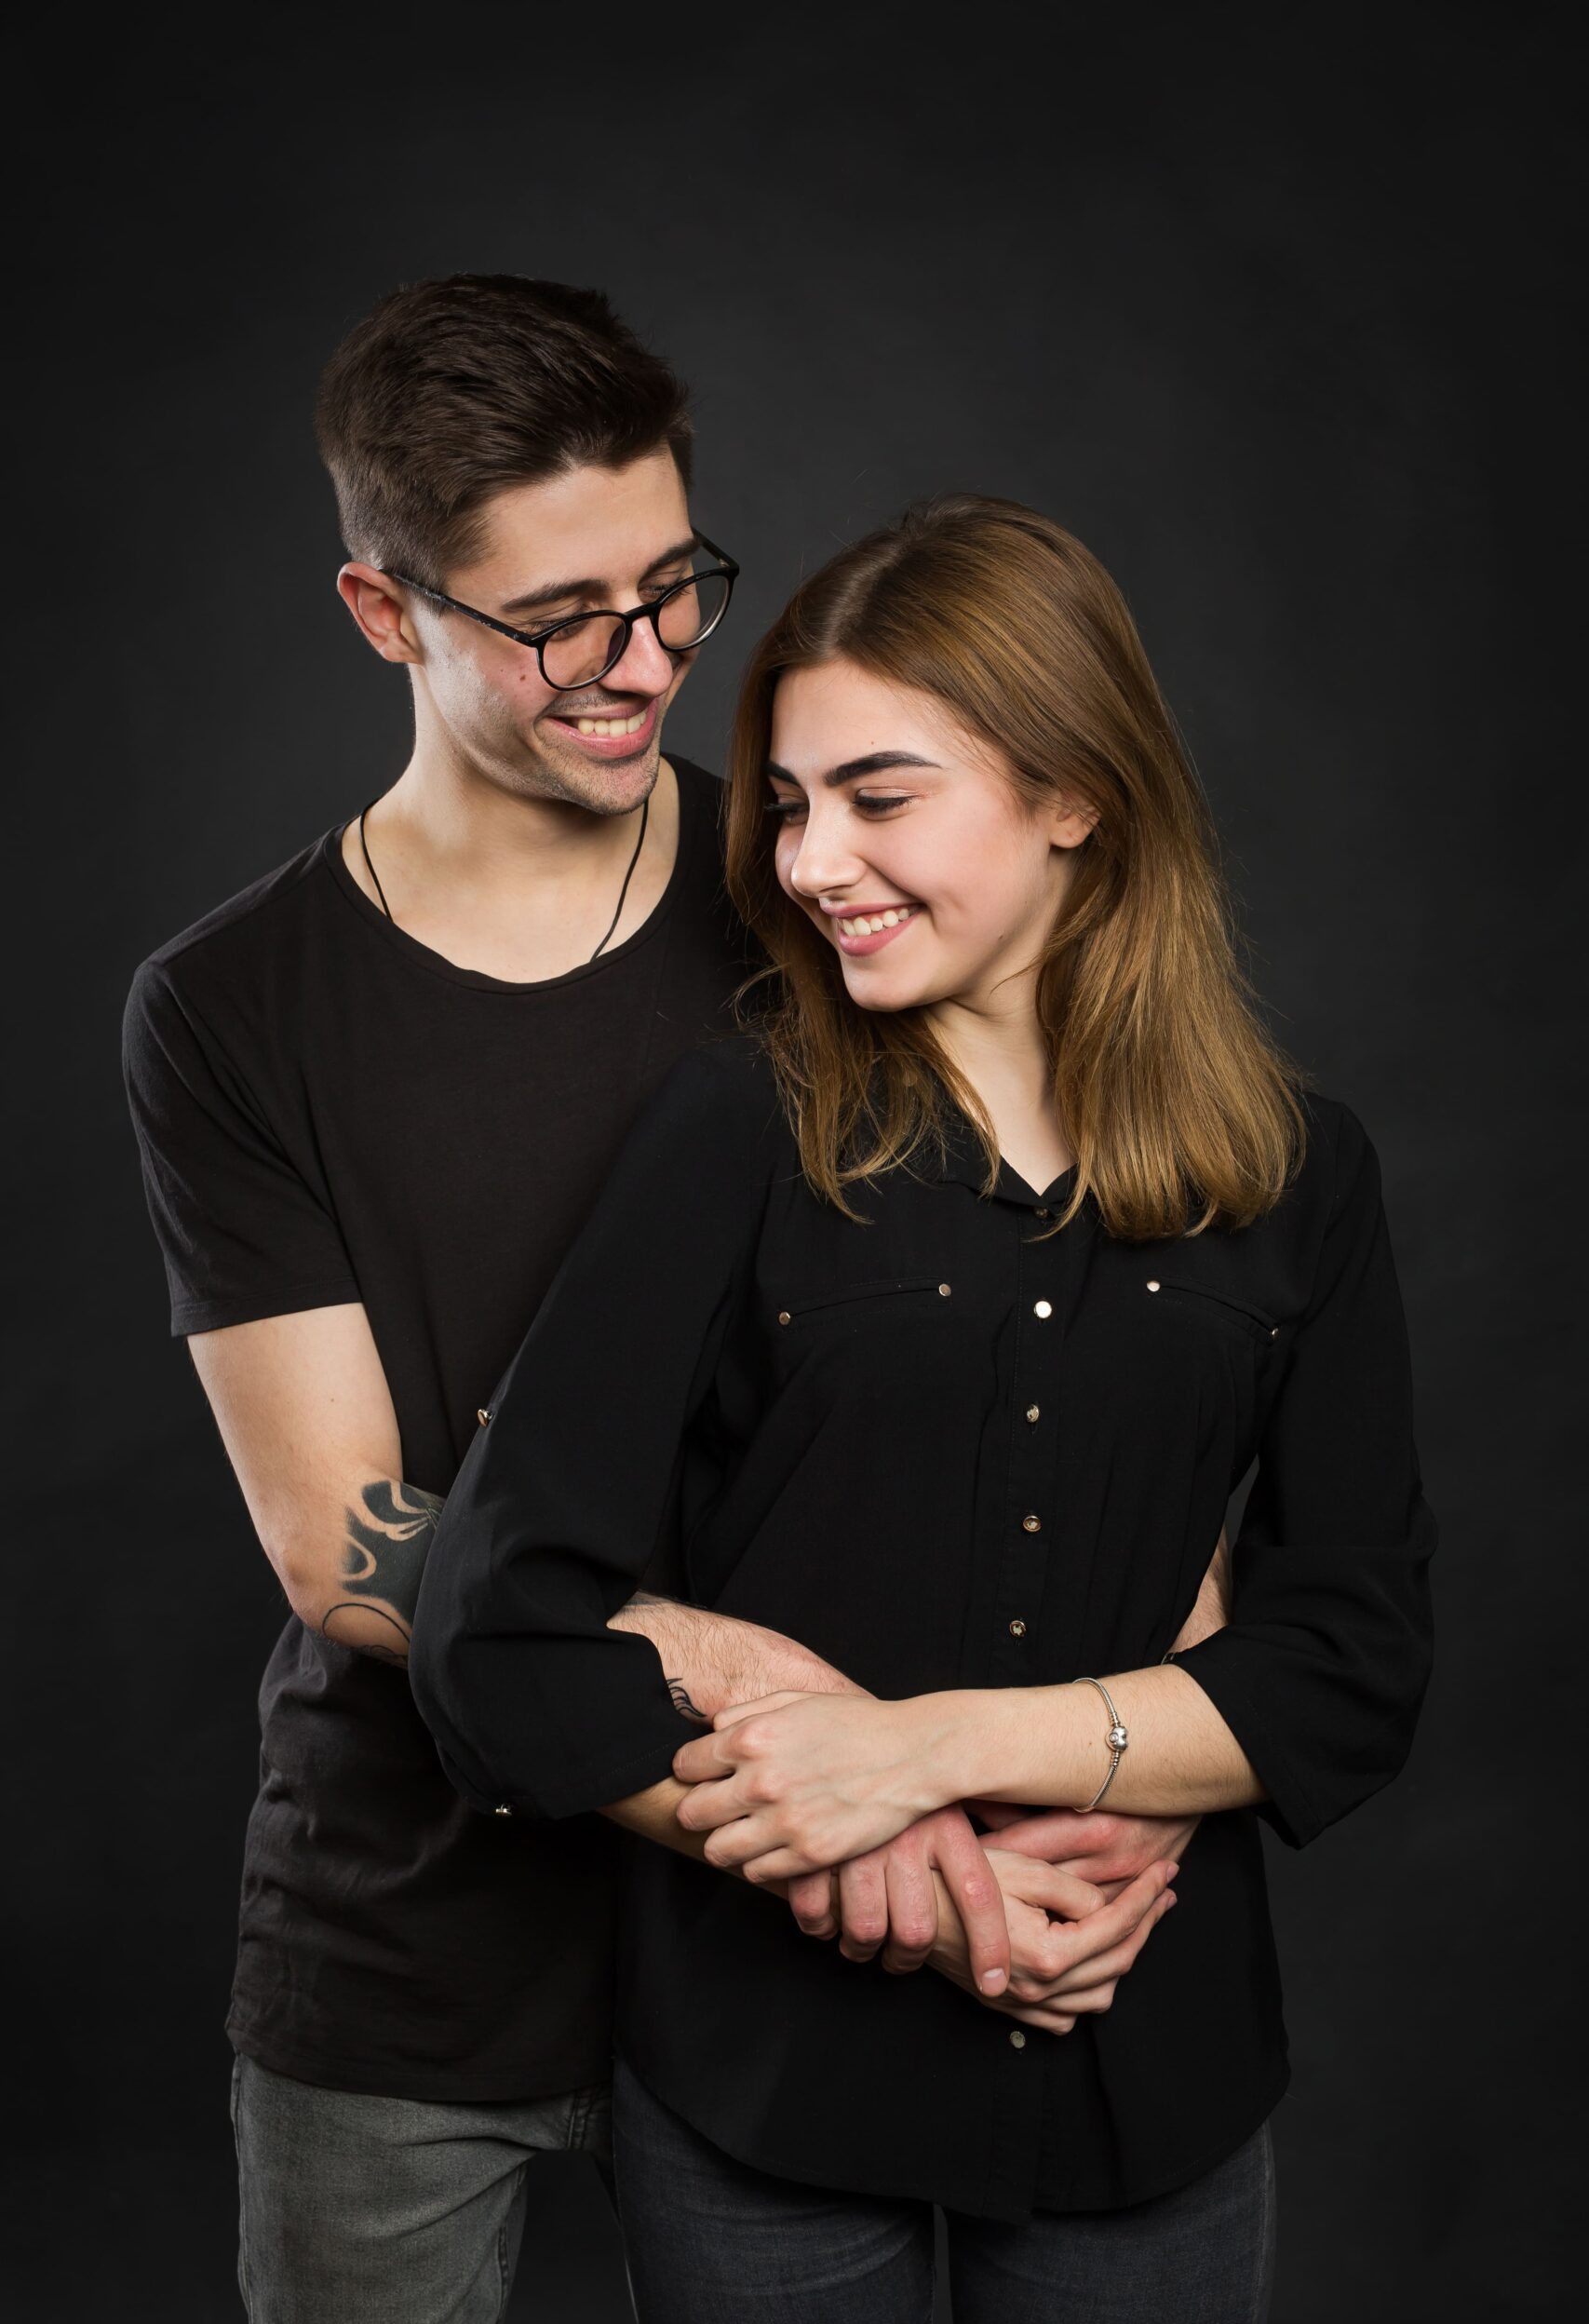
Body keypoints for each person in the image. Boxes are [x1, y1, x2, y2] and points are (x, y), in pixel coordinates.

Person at [123, 283, 1222, 2321]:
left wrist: (1125, 1771)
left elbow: (1143, 1339)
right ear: (386, 616)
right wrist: (804, 1746)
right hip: (425, 1947)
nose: (644, 664)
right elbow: (342, 1540)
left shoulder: (824, 900)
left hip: (819, 1966)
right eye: (558, 618)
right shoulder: (231, 1005)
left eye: (672, 585)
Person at [411, 493, 1437, 2322]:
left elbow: (1347, 1658)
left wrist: (930, 1748)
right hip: (765, 2082)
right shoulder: (734, 1127)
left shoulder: (1299, 1174)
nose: (807, 861)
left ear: (1073, 792)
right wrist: (869, 1837)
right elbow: (502, 1621)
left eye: (875, 799)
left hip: (1143, 2063)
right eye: (792, 802)